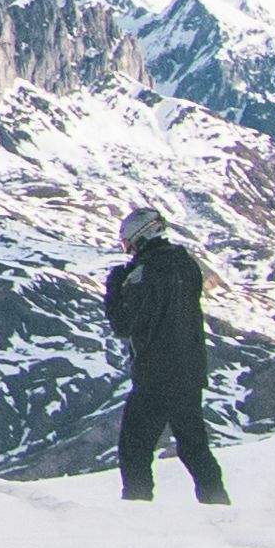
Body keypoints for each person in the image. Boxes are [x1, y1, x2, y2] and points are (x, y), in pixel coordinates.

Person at [103, 207, 226, 506]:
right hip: (190, 372)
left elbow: (123, 324)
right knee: (194, 446)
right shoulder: (187, 263)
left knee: (134, 448)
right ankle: (219, 508)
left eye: (128, 243)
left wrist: (114, 290)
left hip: (155, 376)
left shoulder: (141, 274)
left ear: (138, 239)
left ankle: (137, 509)